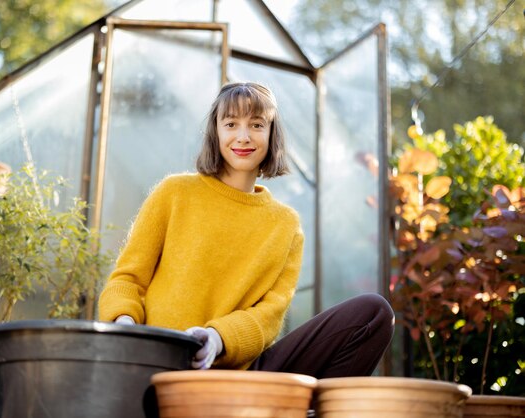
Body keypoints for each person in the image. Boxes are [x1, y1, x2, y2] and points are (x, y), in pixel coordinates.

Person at [98, 82, 394, 385]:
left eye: (256, 124)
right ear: (216, 131)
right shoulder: (174, 193)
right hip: (158, 365)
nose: (243, 136)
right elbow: (127, 280)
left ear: (271, 134)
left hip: (238, 378)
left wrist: (217, 338)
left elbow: (269, 316)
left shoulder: (285, 225)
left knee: (374, 313)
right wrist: (127, 329)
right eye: (231, 124)